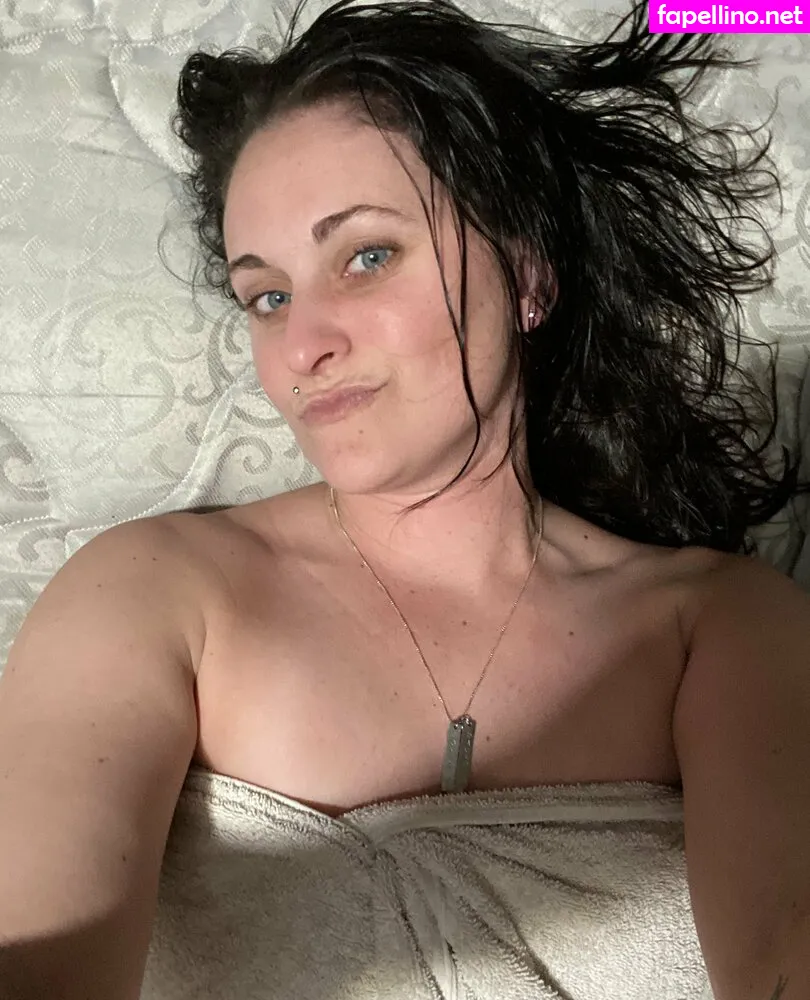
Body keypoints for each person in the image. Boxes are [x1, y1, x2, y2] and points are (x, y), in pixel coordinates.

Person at [0, 0, 808, 997]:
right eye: (268, 296)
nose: (304, 345)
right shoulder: (152, 595)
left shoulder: (718, 624)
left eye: (367, 257)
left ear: (526, 273)